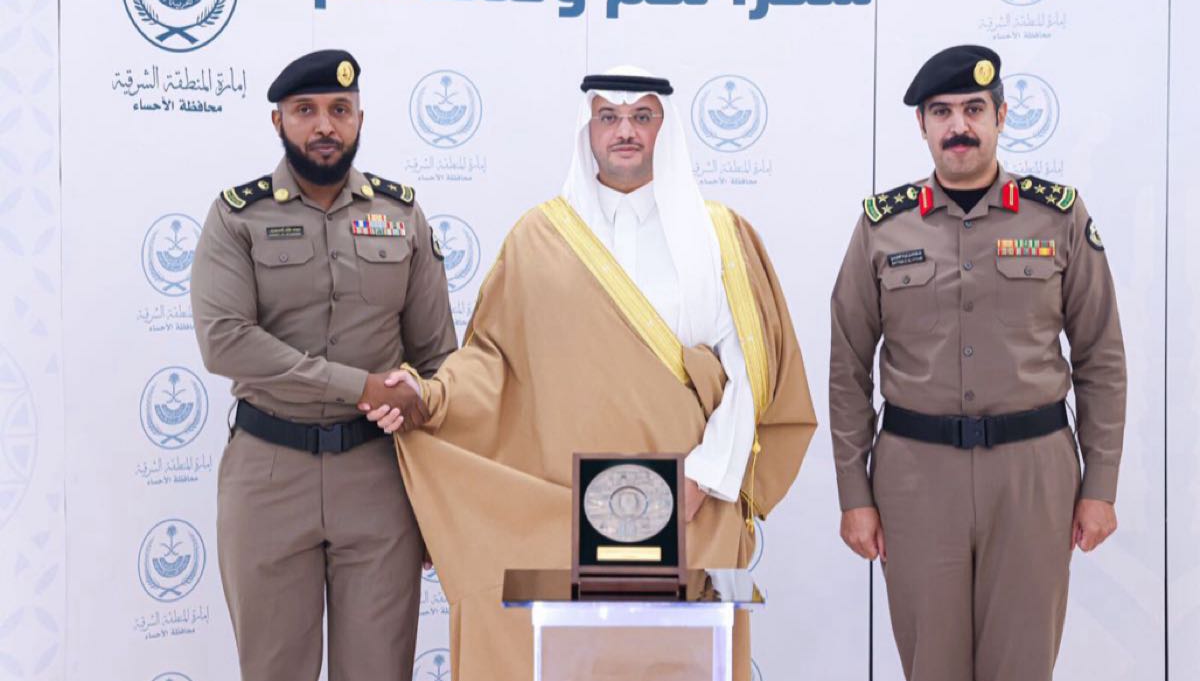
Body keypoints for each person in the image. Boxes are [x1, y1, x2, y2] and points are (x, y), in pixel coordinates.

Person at [364, 67, 818, 681]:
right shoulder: (538, 238)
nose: (625, 131)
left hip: (688, 505)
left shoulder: (720, 236)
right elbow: (492, 363)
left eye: (641, 117)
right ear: (588, 128)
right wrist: (430, 396)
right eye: (609, 117)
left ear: (665, 128)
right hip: (565, 505)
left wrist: (706, 477)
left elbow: (750, 376)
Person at [829, 44, 1126, 681]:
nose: (958, 126)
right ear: (922, 124)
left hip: (1032, 475)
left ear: (1001, 116)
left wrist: (1099, 486)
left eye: (973, 109)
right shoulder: (882, 226)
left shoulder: (1058, 216)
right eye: (941, 112)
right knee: (931, 666)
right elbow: (847, 368)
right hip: (916, 478)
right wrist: (855, 494)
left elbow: (1101, 357)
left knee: (1022, 666)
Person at [190, 49, 454, 681]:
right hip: (268, 474)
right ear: (278, 121)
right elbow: (226, 341)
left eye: (340, 109)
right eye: (305, 111)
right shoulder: (237, 216)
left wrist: (437, 482)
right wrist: (361, 386)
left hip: (380, 478)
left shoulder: (401, 215)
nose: (324, 126)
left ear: (360, 118)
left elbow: (439, 358)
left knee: (380, 671)